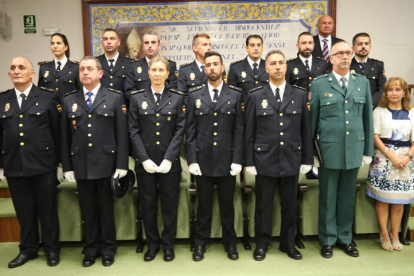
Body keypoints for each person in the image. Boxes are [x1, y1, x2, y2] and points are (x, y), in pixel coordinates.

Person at [244, 50, 313, 261]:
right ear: (266, 69)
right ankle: (262, 244)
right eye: (272, 63)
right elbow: (249, 131)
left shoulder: (299, 95)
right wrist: (249, 162)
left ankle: (288, 244)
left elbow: (305, 130)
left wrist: (307, 160)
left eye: (280, 63)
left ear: (286, 67)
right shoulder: (256, 95)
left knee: (289, 205)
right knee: (263, 206)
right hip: (264, 159)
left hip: (291, 158)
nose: (277, 66)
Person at [61, 56, 129, 267]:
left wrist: (121, 165)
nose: (85, 72)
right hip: (81, 164)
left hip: (106, 163)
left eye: (90, 69)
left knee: (106, 209)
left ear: (100, 73)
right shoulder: (69, 100)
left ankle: (108, 247)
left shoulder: (115, 98)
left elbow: (122, 135)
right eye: (82, 69)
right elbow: (64, 137)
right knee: (88, 209)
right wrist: (67, 166)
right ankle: (91, 248)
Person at [310, 41, 374, 258]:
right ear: (331, 58)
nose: (345, 57)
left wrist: (367, 151)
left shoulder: (362, 83)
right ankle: (327, 239)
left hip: (354, 150)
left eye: (348, 53)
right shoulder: (319, 84)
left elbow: (368, 119)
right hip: (328, 150)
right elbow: (313, 120)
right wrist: (312, 153)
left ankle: (345, 239)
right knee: (328, 197)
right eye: (340, 54)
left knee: (347, 197)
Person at [1, 57, 61, 268]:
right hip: (15, 164)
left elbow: (57, 131)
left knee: (48, 209)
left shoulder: (47, 97)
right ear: (9, 74)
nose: (16, 71)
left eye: (21, 67)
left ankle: (52, 248)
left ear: (32, 73)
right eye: (12, 68)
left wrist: (60, 164)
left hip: (43, 164)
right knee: (24, 211)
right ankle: (28, 249)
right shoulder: (3, 99)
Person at [186, 51, 244, 261]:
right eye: (208, 65)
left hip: (227, 161)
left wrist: (238, 160)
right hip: (203, 162)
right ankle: (200, 243)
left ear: (222, 68)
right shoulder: (194, 95)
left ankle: (231, 244)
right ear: (204, 69)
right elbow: (190, 132)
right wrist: (191, 160)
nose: (211, 68)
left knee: (227, 207)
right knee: (204, 207)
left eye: (215, 64)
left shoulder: (236, 95)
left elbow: (239, 131)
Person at [129, 56, 186, 262]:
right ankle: (152, 245)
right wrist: (143, 159)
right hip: (146, 165)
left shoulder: (178, 98)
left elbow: (180, 131)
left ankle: (168, 245)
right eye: (154, 70)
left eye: (161, 70)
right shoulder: (136, 98)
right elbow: (133, 131)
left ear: (167, 74)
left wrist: (170, 158)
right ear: (148, 72)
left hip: (170, 164)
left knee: (170, 206)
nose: (157, 74)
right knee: (149, 205)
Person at [367, 77, 414, 251]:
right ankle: (384, 234)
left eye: (398, 89)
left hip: (405, 162)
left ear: (404, 92)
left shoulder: (412, 113)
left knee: (399, 201)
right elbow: (374, 136)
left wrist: (407, 157)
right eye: (390, 90)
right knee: (384, 199)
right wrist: (391, 156)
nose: (394, 93)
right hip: (383, 159)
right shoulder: (379, 111)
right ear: (386, 93)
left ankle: (395, 235)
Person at [125, 31, 177, 103]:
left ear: (159, 45)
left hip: (164, 108)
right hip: (141, 109)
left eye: (153, 42)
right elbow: (129, 91)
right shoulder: (133, 66)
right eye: (146, 43)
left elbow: (173, 90)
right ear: (142, 45)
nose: (150, 45)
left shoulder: (170, 65)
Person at [38, 33, 81, 104]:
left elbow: (80, 91)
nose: (55, 46)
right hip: (50, 109)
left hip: (70, 108)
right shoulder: (44, 67)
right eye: (52, 43)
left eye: (58, 43)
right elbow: (40, 92)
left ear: (66, 47)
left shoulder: (76, 67)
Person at [351, 33, 387, 107]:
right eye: (360, 44)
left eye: (366, 44)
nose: (363, 46)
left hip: (373, 107)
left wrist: (369, 104)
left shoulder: (378, 65)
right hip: (353, 107)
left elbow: (382, 88)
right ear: (353, 48)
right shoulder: (347, 65)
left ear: (370, 47)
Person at [96, 28, 131, 93]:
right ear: (102, 43)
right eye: (105, 39)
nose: (108, 42)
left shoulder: (129, 63)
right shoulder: (95, 62)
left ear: (118, 42)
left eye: (112, 39)